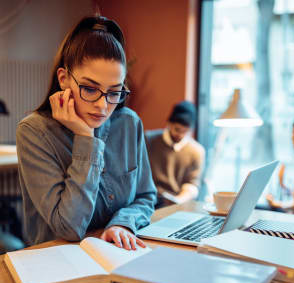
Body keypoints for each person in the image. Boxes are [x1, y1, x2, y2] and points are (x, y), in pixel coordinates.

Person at [16, 16, 156, 250]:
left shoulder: (129, 124)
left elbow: (146, 196)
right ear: (63, 79)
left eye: (114, 92)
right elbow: (69, 228)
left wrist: (122, 224)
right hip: (55, 262)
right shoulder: (34, 132)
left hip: (118, 253)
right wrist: (85, 139)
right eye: (90, 89)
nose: (102, 106)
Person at [145, 101, 205, 208]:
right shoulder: (148, 140)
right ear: (169, 123)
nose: (180, 134)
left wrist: (178, 201)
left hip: (178, 203)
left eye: (185, 131)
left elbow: (192, 184)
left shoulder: (196, 151)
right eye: (177, 129)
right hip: (148, 201)